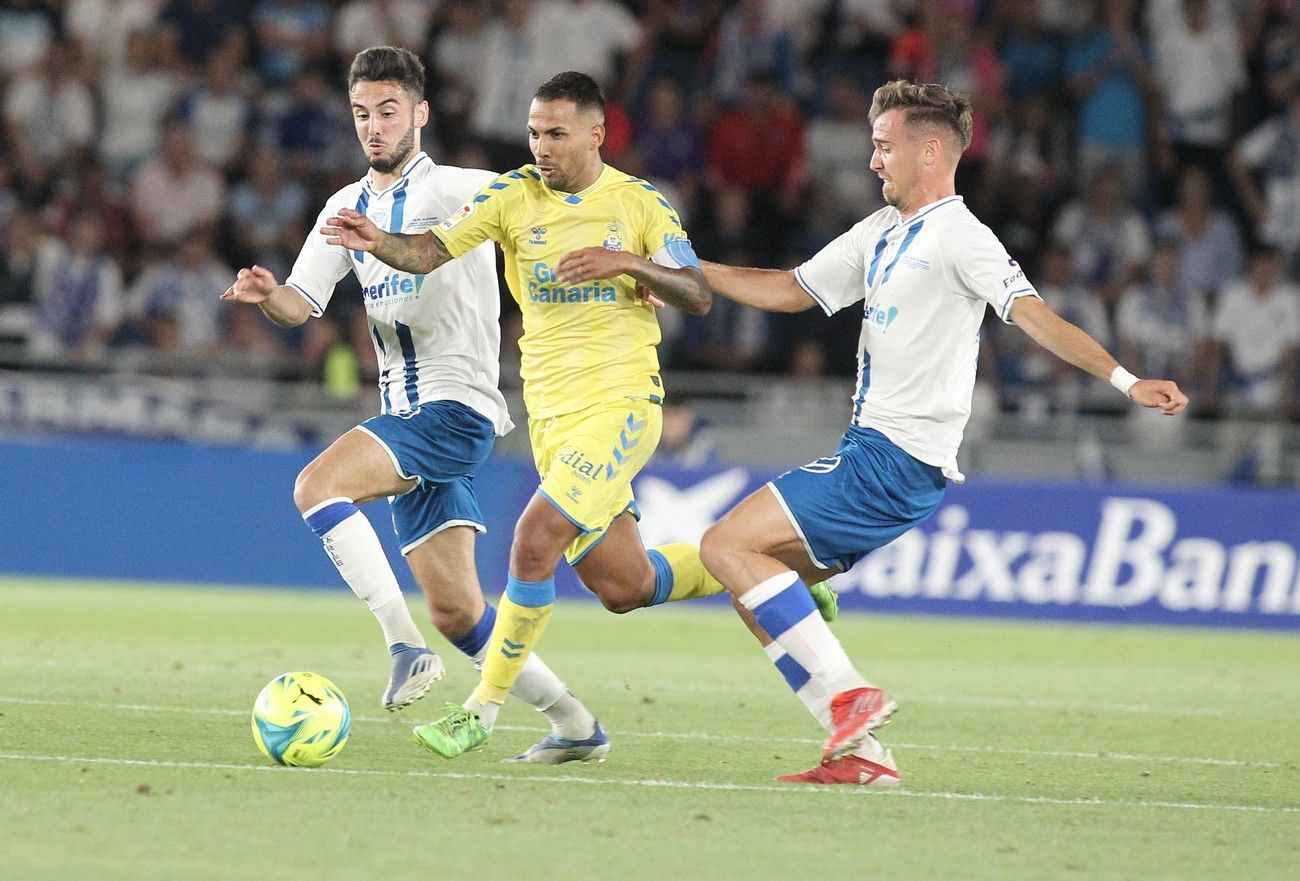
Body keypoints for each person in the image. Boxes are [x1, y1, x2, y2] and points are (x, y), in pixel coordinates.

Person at [321, 71, 837, 761]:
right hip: (554, 420)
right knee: (624, 584)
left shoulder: (639, 204)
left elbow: (697, 292)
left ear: (597, 134)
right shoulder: (511, 197)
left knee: (534, 536)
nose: (542, 146)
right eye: (535, 132)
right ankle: (775, 567)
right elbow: (427, 253)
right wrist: (374, 238)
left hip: (622, 405)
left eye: (557, 134)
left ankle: (482, 709)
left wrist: (626, 262)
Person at [696, 80, 1189, 786]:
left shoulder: (964, 237)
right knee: (755, 592)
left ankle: (849, 694)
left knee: (724, 544)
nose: (873, 162)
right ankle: (863, 754)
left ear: (931, 151)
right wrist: (684, 271)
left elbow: (1037, 317)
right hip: (870, 453)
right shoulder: (881, 231)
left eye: (884, 146)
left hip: (895, 457)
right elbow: (788, 290)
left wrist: (1126, 381)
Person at [220, 46, 603, 763]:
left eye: (388, 111)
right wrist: (269, 296)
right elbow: (302, 305)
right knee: (461, 612)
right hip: (410, 418)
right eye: (362, 113)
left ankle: (403, 645)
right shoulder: (343, 206)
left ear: (421, 114)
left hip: (454, 409)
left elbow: (560, 204)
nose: (374, 127)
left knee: (316, 486)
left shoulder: (467, 189)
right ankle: (578, 726)